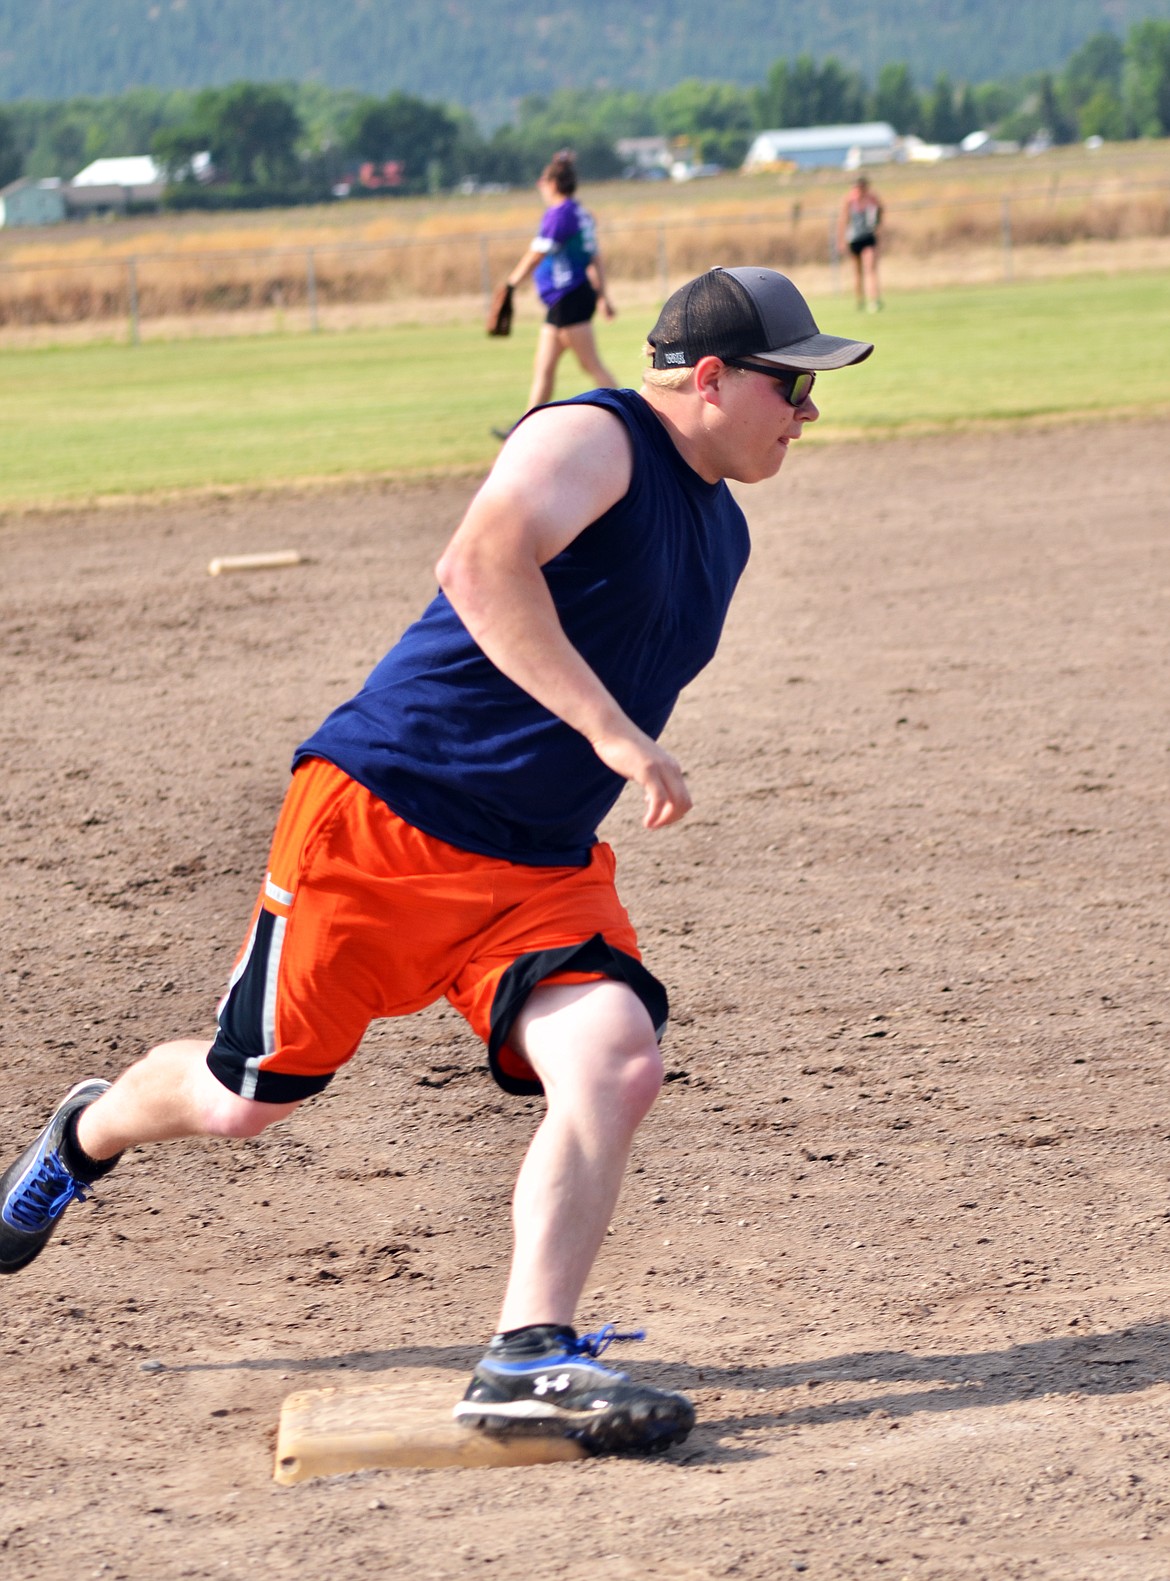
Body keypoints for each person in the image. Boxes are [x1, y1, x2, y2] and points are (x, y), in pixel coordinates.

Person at [0, 266, 872, 1456]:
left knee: (617, 1062)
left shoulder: (723, 529)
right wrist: (616, 734)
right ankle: (84, 1135)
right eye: (792, 385)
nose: (809, 412)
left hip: (536, 865)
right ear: (709, 379)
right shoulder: (594, 434)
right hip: (385, 822)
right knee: (243, 1097)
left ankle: (528, 1358)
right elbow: (480, 565)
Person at [496, 149, 617, 433]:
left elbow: (538, 253)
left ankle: (638, 420)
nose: (540, 186)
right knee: (544, 369)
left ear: (553, 184)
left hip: (569, 297)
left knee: (592, 365)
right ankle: (522, 430)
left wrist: (512, 284)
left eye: (542, 181)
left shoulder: (560, 214)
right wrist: (602, 296)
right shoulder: (581, 213)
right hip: (569, 298)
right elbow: (594, 258)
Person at [838, 173, 883, 313]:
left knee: (870, 268)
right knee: (857, 272)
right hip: (854, 239)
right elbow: (843, 220)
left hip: (868, 237)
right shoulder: (849, 201)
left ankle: (874, 300)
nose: (859, 190)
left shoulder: (872, 199)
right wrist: (841, 240)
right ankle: (860, 300)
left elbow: (880, 211)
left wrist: (877, 227)